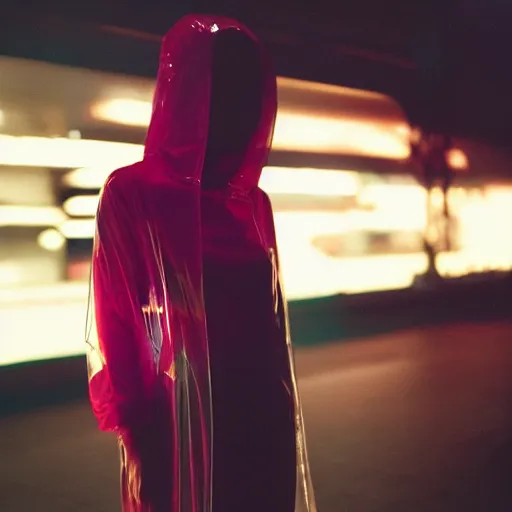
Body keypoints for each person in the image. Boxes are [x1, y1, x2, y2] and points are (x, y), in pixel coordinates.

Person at [85, 14, 317, 512]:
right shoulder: (133, 195)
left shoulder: (252, 203)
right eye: (228, 92)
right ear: (190, 94)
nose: (244, 112)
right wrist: (136, 442)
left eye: (252, 96)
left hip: (262, 420)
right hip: (177, 425)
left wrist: (287, 421)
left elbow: (272, 329)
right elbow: (117, 327)